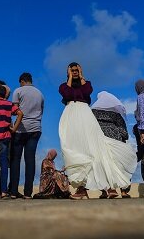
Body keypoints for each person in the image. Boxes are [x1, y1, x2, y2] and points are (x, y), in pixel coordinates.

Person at [58, 62, 136, 200]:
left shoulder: (86, 84)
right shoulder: (64, 86)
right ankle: (81, 188)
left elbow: (87, 92)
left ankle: (110, 186)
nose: (75, 72)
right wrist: (69, 77)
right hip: (70, 117)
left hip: (85, 115)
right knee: (74, 149)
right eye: (72, 70)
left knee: (96, 149)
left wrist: (81, 76)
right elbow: (66, 93)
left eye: (76, 70)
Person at [91, 91, 134, 199]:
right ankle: (124, 191)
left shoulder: (92, 113)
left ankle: (106, 191)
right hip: (116, 140)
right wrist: (121, 137)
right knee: (120, 166)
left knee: (102, 165)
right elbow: (124, 133)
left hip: (99, 141)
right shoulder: (116, 114)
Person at [9, 72, 44, 199]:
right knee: (30, 160)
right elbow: (41, 111)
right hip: (35, 129)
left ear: (22, 81)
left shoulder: (18, 91)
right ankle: (28, 193)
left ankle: (13, 191)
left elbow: (15, 110)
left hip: (20, 129)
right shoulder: (40, 93)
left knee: (15, 160)